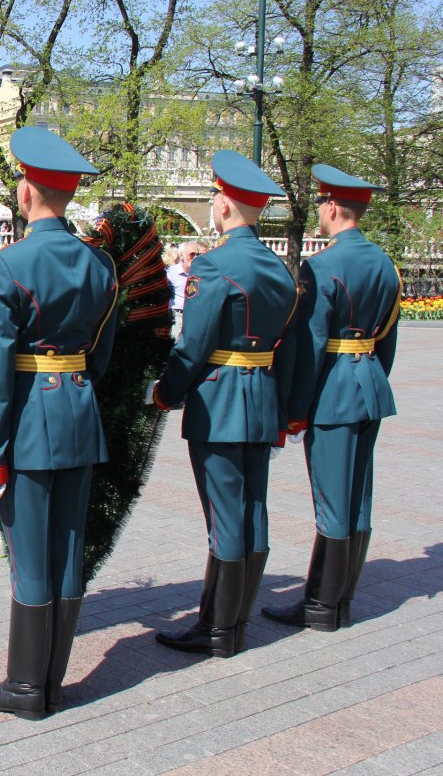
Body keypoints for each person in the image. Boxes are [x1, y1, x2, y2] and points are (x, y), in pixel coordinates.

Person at [0, 127, 115, 720]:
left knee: (29, 556)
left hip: (30, 421)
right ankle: (52, 680)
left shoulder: (8, 264)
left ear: (26, 192)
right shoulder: (100, 264)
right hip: (79, 412)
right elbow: (101, 353)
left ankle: (27, 689)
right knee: (69, 552)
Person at [146, 150, 298, 658]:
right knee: (253, 509)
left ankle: (218, 629)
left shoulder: (213, 265)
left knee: (225, 515)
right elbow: (289, 346)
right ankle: (235, 621)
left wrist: (166, 392)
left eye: (215, 198)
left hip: (220, 400)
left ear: (225, 205)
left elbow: (194, 346)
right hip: (262, 396)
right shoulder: (279, 268)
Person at [262, 165, 400, 633]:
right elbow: (388, 340)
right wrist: (372, 378)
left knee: (333, 500)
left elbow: (310, 344)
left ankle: (321, 605)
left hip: (333, 392)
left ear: (334, 207)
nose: (320, 212)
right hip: (370, 384)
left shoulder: (321, 266)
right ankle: (341, 599)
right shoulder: (385, 264)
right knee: (358, 497)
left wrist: (295, 410)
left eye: (322, 203)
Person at [166, 241, 204, 340]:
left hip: (195, 316)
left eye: (198, 254)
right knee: (175, 343)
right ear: (182, 256)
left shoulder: (202, 273)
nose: (195, 257)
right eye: (192, 254)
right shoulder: (171, 273)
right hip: (177, 315)